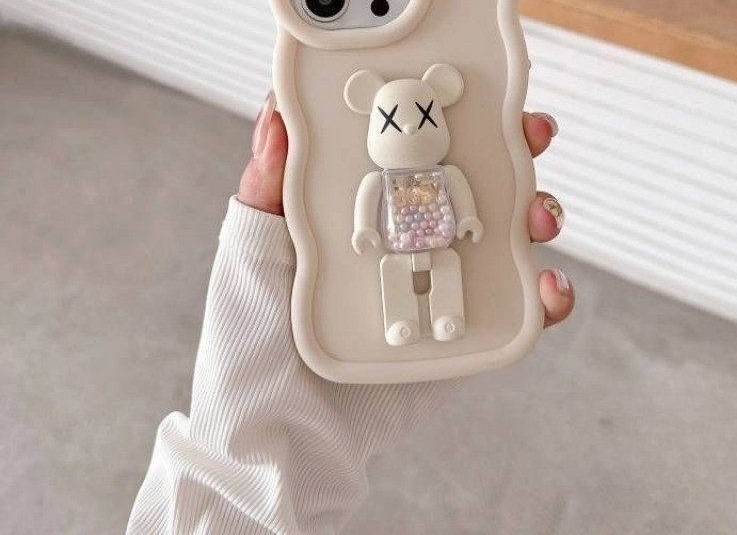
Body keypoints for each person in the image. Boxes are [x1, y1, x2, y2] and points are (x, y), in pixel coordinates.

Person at [127, 94, 574, 534]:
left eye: (423, 115)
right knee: (396, 278)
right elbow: (367, 205)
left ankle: (447, 316)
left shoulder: (446, 174)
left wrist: (470, 219)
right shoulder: (383, 181)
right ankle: (403, 322)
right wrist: (363, 231)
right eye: (393, 121)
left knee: (450, 270)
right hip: (397, 246)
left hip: (440, 240)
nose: (409, 127)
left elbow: (461, 198)